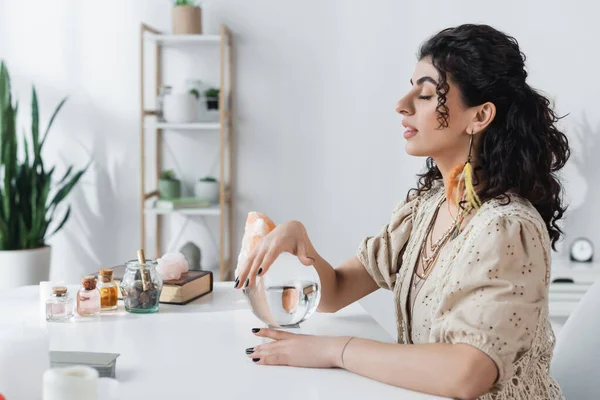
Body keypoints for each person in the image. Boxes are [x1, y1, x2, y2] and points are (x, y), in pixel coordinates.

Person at [234, 23, 569, 400]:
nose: (402, 104)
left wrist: (335, 351)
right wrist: (299, 239)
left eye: (425, 95)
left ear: (479, 117)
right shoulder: (425, 209)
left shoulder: (507, 227)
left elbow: (466, 375)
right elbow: (336, 292)